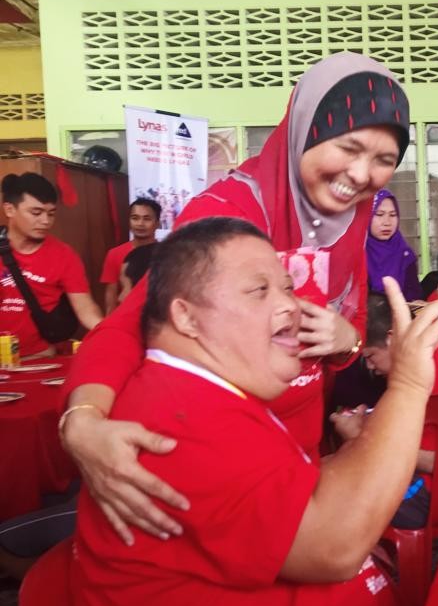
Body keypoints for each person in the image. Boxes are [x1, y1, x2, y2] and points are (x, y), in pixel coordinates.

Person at [71, 217, 438, 606]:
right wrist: (409, 383)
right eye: (259, 291)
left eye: (288, 287)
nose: (290, 305)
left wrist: (359, 444)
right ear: (186, 317)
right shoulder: (175, 420)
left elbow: (302, 492)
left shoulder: (212, 393)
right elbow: (334, 547)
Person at [60, 52, 411, 544]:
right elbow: (131, 322)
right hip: (222, 457)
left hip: (298, 449)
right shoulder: (226, 215)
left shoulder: (354, 218)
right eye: (349, 147)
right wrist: (84, 422)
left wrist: (348, 341)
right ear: (304, 131)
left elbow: (337, 338)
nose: (360, 174)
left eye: (384, 160)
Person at [333, 281, 438, 528]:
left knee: (335, 497)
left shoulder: (419, 372)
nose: (369, 367)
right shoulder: (437, 337)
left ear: (391, 338)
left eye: (369, 356)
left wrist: (359, 438)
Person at [1, 172, 103, 358]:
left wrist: (113, 335)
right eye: (36, 213)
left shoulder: (64, 256)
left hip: (40, 358)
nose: (45, 221)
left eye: (51, 213)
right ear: (9, 210)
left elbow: (86, 310)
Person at [100, 197, 161, 314]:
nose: (140, 224)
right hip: (126, 315)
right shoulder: (114, 254)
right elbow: (111, 292)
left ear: (157, 223)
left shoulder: (166, 253)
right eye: (135, 218)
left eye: (147, 219)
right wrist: (109, 320)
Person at [367, 188, 422, 301]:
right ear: (367, 216)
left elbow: (414, 298)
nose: (387, 222)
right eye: (379, 214)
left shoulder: (405, 255)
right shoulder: (357, 253)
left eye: (392, 215)